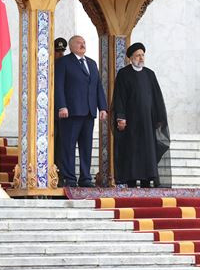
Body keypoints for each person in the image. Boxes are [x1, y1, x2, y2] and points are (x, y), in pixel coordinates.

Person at [113, 43, 170, 188]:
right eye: (138, 55)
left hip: (147, 121)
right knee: (132, 150)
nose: (141, 58)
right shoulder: (123, 74)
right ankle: (131, 181)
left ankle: (147, 180)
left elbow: (157, 97)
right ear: (131, 58)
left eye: (142, 55)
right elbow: (119, 97)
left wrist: (159, 118)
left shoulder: (149, 74)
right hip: (131, 122)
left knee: (147, 151)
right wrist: (121, 117)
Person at [54, 35, 107, 187]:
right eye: (79, 43)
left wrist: (102, 107)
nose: (82, 44)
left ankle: (85, 178)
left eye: (84, 42)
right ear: (71, 46)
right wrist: (62, 106)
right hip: (71, 112)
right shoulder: (64, 62)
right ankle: (69, 178)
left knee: (86, 147)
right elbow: (58, 86)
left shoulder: (91, 63)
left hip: (89, 112)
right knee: (68, 146)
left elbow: (98, 86)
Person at [52, 37, 67, 166]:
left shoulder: (65, 66)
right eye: (58, 51)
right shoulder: (48, 67)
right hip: (50, 113)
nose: (60, 54)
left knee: (62, 145)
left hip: (63, 113)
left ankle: (60, 172)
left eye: (62, 51)